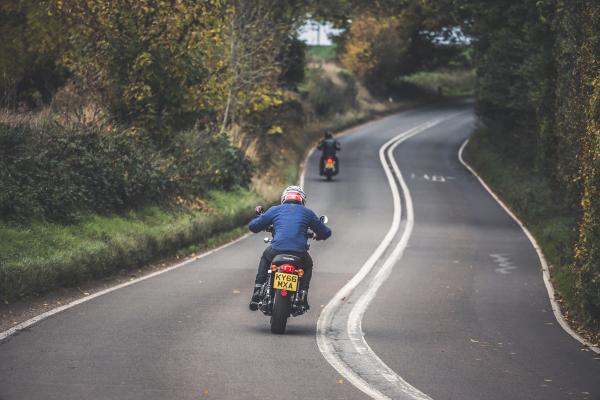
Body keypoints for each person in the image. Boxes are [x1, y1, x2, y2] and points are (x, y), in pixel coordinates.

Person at [248, 185, 331, 311]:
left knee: (265, 257)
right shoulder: (307, 213)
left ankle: (258, 290)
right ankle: (302, 294)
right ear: (302, 200)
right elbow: (326, 232)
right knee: (308, 265)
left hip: (276, 250)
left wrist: (262, 219)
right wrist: (318, 235)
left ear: (284, 198)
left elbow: (253, 226)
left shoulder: (275, 210)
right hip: (299, 254)